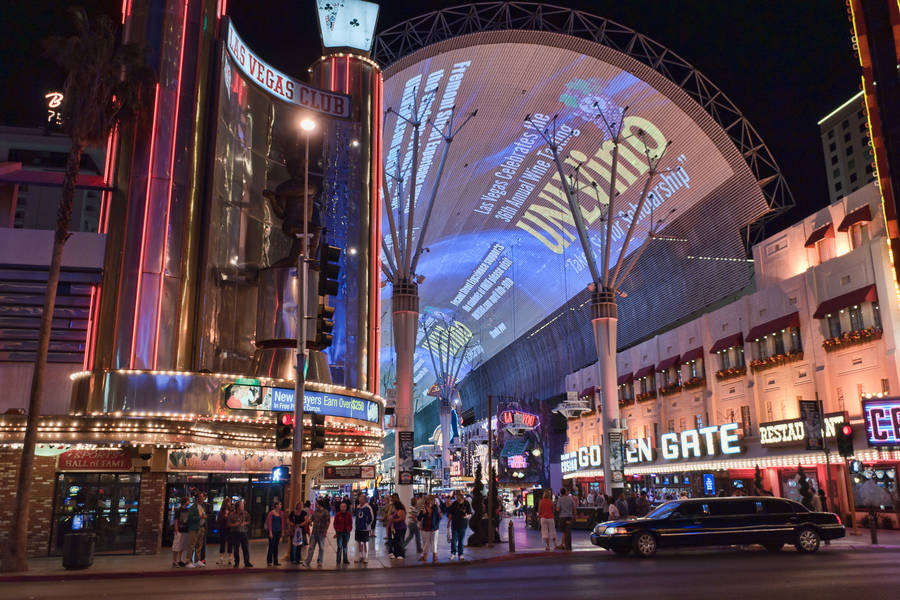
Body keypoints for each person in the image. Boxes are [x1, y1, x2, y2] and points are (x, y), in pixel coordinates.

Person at [304, 500, 330, 568]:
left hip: (321, 533)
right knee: (311, 548)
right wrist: (309, 522)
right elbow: (312, 519)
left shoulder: (325, 512)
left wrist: (325, 531)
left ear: (320, 505)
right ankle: (307, 561)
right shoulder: (315, 512)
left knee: (321, 548)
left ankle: (320, 562)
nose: (316, 505)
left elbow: (328, 522)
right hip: (314, 532)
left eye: (317, 504)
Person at [447, 490, 472, 561]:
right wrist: (448, 522)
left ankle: (460, 554)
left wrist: (466, 516)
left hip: (463, 524)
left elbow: (470, 513)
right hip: (454, 524)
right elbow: (450, 513)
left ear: (462, 498)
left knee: (461, 540)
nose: (458, 500)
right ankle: (453, 553)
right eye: (457, 498)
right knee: (454, 540)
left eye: (459, 498)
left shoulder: (466, 503)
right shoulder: (454, 503)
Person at [228, 499, 252, 568]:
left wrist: (245, 523)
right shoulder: (232, 514)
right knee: (236, 549)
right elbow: (228, 524)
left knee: (245, 548)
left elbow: (249, 521)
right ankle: (236, 562)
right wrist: (235, 524)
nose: (243, 506)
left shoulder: (246, 513)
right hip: (235, 533)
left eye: (243, 505)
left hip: (244, 532)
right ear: (238, 507)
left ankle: (247, 562)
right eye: (242, 505)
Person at [186, 492, 207, 567]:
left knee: (199, 545)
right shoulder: (193, 507)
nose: (203, 498)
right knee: (192, 545)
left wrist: (204, 518)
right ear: (197, 498)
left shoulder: (202, 507)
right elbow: (190, 518)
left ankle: (197, 560)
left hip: (201, 528)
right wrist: (200, 517)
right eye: (201, 496)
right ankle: (188, 561)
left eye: (203, 496)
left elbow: (203, 516)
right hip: (194, 528)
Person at [353, 492, 375, 564]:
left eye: (361, 499)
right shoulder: (358, 507)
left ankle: (365, 557)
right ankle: (360, 556)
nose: (359, 500)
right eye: (359, 499)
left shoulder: (368, 508)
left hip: (365, 528)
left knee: (365, 543)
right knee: (359, 542)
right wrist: (356, 524)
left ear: (364, 500)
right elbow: (356, 517)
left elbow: (371, 518)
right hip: (358, 528)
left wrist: (367, 525)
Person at [418, 495, 440, 562]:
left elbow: (438, 518)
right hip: (425, 528)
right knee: (426, 543)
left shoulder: (435, 508)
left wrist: (436, 526)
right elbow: (419, 518)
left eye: (431, 500)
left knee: (434, 543)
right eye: (428, 500)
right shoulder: (423, 508)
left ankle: (434, 556)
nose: (430, 501)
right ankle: (425, 556)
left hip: (434, 528)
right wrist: (423, 514)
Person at [333, 501, 352, 565]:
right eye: (342, 507)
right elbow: (335, 524)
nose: (343, 508)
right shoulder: (338, 515)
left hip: (346, 532)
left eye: (344, 507)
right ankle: (338, 560)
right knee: (339, 546)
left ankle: (345, 560)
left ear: (346, 507)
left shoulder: (348, 514)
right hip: (340, 533)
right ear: (340, 507)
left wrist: (349, 529)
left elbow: (350, 523)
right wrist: (337, 530)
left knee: (345, 546)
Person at [265, 500, 284, 566]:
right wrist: (270, 532)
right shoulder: (271, 513)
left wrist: (282, 531)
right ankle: (269, 560)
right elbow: (269, 523)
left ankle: (275, 561)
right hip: (272, 531)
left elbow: (282, 523)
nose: (280, 506)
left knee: (276, 546)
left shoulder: (281, 513)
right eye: (279, 504)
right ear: (276, 505)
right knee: (271, 546)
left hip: (278, 531)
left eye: (281, 504)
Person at [172, 497, 190, 567]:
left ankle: (180, 560)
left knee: (182, 546)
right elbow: (176, 520)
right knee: (176, 546)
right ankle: (174, 561)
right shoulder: (179, 510)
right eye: (188, 501)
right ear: (185, 502)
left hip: (185, 530)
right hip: (179, 530)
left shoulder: (187, 510)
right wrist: (176, 530)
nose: (189, 502)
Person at [216, 497, 233, 566]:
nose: (230, 503)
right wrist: (224, 516)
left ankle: (230, 559)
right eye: (229, 502)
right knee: (222, 543)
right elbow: (218, 520)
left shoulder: (232, 510)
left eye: (230, 502)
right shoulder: (221, 511)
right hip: (223, 528)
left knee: (230, 543)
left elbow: (233, 519)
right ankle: (221, 559)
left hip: (230, 528)